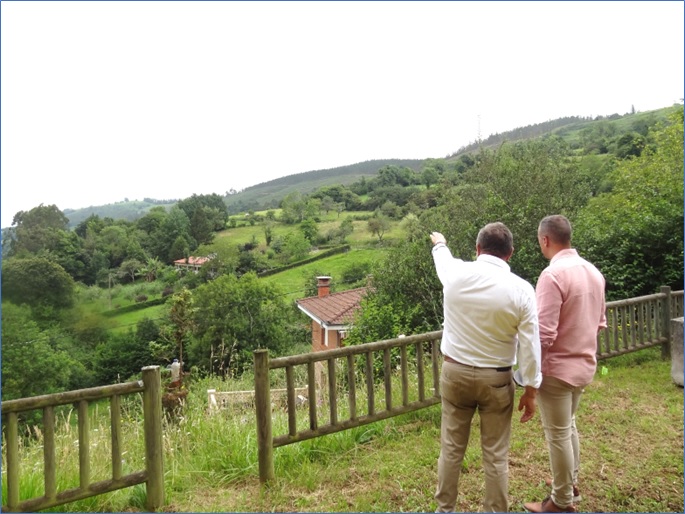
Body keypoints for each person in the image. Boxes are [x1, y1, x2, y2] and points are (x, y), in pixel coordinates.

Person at [430, 223, 542, 513]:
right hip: (497, 379)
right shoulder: (521, 289)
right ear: (510, 253)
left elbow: (442, 257)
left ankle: (444, 509)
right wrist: (531, 389)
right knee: (495, 455)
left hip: (455, 374)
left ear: (477, 249)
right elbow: (530, 346)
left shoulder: (456, 274)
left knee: (452, 448)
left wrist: (440, 241)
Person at [524, 215, 606, 514]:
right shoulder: (593, 272)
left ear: (545, 239)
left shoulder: (553, 275)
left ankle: (561, 502)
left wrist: (531, 374)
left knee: (557, 433)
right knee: (568, 426)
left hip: (557, 370)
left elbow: (543, 334)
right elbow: (600, 323)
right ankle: (568, 484)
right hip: (584, 364)